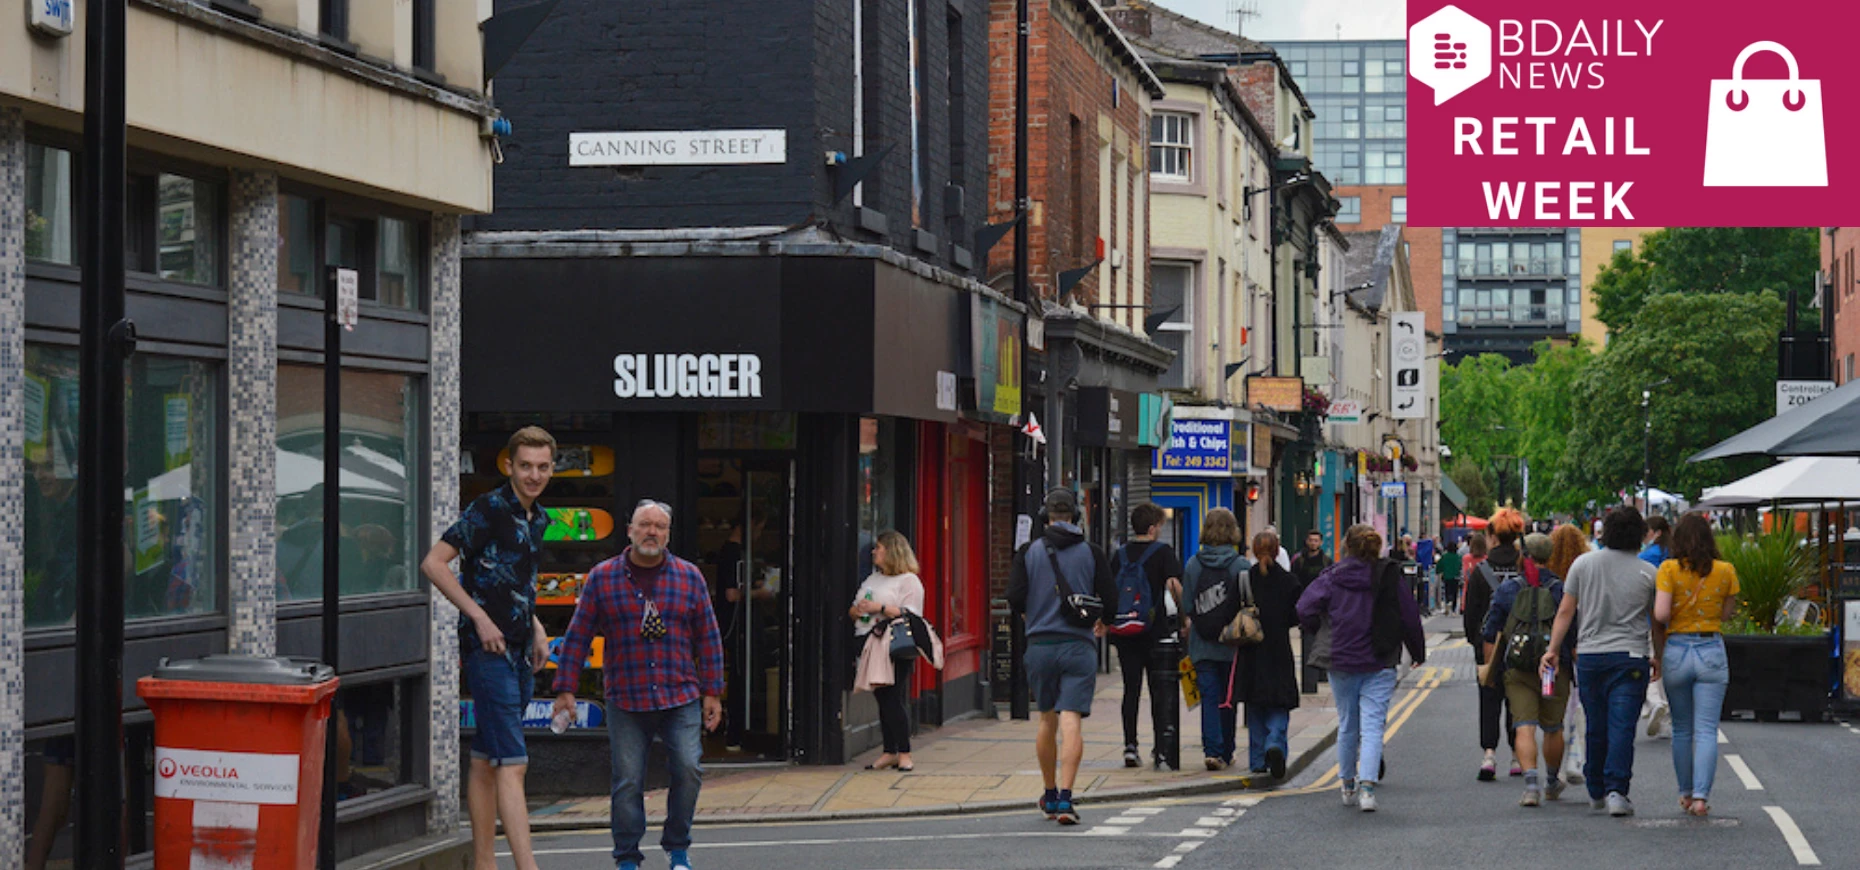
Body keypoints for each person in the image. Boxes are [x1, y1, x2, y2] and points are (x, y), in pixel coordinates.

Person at [552, 500, 725, 870]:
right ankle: (627, 858)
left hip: (680, 695)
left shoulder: (689, 576)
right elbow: (578, 634)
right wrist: (565, 688)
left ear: (668, 534)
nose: (652, 532)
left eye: (660, 527)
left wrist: (713, 691)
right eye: (645, 524)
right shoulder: (602, 577)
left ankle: (677, 847)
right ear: (629, 530)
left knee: (689, 769)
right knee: (628, 781)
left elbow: (708, 637)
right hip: (626, 698)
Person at [420, 426, 556, 870]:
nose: (533, 475)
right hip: (487, 653)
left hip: (519, 651)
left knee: (484, 758)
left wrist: (536, 626)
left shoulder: (539, 519)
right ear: (509, 466)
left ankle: (483, 864)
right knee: (513, 763)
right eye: (525, 466)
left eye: (542, 467)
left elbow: (514, 583)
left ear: (552, 468)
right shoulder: (489, 509)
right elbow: (434, 564)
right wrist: (477, 617)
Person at [1544, 505, 1663, 818]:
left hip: (1591, 657)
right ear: (1639, 535)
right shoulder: (1648, 573)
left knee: (1595, 726)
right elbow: (1656, 623)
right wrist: (1658, 657)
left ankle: (1595, 790)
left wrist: (1553, 649)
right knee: (1622, 727)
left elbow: (1566, 612)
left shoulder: (1583, 565)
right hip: (1631, 658)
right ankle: (1616, 792)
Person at [1297, 524, 1426, 813]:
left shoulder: (1332, 576)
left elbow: (1304, 607)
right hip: (1379, 658)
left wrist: (1321, 628)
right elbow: (1409, 615)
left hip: (1341, 657)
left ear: (1347, 546)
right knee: (1372, 726)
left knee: (1347, 724)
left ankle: (1347, 784)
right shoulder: (1388, 575)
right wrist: (1417, 651)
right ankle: (1367, 789)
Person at [1008, 487, 1115, 825]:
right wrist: (1103, 622)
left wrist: (1030, 615)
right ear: (1076, 515)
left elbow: (1014, 597)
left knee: (1045, 719)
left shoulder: (1028, 551)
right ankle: (1067, 799)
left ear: (1045, 516)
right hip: (1078, 646)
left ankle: (1050, 794)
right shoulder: (1093, 552)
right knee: (1072, 721)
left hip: (1040, 645)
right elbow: (1110, 598)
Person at [1479, 518, 1576, 807]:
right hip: (1554, 667)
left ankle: (1531, 786)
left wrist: (1490, 671)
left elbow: (1490, 633)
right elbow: (1574, 631)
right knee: (1553, 727)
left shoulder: (1508, 590)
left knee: (1524, 725)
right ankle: (1551, 781)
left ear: (1525, 557)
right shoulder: (1562, 590)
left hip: (1518, 669)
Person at [1655, 513, 1739, 817]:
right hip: (1711, 649)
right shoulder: (1726, 571)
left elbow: (1661, 614)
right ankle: (1702, 798)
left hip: (1677, 649)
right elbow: (1727, 614)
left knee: (1681, 729)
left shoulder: (1668, 570)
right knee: (1706, 729)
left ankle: (1686, 793)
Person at [1107, 502, 1184, 768]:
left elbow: (1109, 590)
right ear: (1152, 528)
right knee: (1158, 690)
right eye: (1160, 526)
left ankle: (1130, 745)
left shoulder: (1120, 554)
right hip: (1155, 631)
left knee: (1131, 689)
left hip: (1125, 632)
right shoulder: (1163, 553)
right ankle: (1160, 748)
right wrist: (1184, 618)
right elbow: (1174, 585)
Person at [849, 530, 927, 772]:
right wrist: (860, 610)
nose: (874, 551)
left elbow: (911, 614)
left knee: (892, 697)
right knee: (882, 698)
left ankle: (903, 753)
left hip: (894, 645)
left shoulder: (909, 581)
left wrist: (879, 607)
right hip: (869, 642)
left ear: (892, 551)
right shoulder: (872, 579)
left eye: (879, 548)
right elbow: (853, 610)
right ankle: (890, 751)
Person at [1184, 508, 1249, 770]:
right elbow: (1248, 604)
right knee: (1228, 698)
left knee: (1209, 698)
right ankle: (1227, 750)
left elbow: (1188, 604)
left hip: (1201, 643)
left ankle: (1211, 751)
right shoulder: (1241, 565)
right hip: (1232, 644)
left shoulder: (1193, 564)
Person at [1235, 530, 1302, 779]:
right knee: (1279, 702)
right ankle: (1275, 741)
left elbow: (1235, 611)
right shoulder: (1290, 582)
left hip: (1251, 650)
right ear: (1277, 551)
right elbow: (1296, 616)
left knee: (1255, 706)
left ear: (1253, 550)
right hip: (1278, 650)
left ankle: (1257, 760)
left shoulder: (1244, 580)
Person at [1460, 529, 1515, 781]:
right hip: (1520, 645)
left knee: (1489, 699)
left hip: (1489, 646)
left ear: (1493, 538)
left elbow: (1471, 614)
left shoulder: (1481, 572)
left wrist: (1476, 644)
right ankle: (1518, 756)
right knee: (1518, 701)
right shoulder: (1525, 569)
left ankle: (1489, 755)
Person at [1545, 524, 1592, 785]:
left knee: (1556, 713)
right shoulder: (1586, 570)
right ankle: (1576, 757)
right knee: (1579, 705)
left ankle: (1556, 769)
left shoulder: (1550, 577)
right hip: (1582, 644)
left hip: (1556, 647)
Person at [1639, 515, 1674, 739]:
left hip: (1650, 620)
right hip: (1676, 622)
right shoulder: (1673, 555)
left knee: (1652, 662)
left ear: (1657, 532)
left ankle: (1655, 702)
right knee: (1668, 667)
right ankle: (1666, 715)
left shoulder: (1646, 557)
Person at [1437, 534, 1463, 616]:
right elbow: (1460, 566)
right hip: (1456, 577)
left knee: (1447, 591)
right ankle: (1454, 610)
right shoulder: (1458, 557)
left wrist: (1439, 571)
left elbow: (1439, 566)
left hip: (1446, 576)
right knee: (1455, 592)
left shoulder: (1444, 556)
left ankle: (1448, 602)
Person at [1415, 535, 1437, 615]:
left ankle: (1422, 604)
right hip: (1427, 569)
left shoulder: (1420, 548)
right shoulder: (1428, 548)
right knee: (1427, 586)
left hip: (1421, 569)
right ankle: (1426, 604)